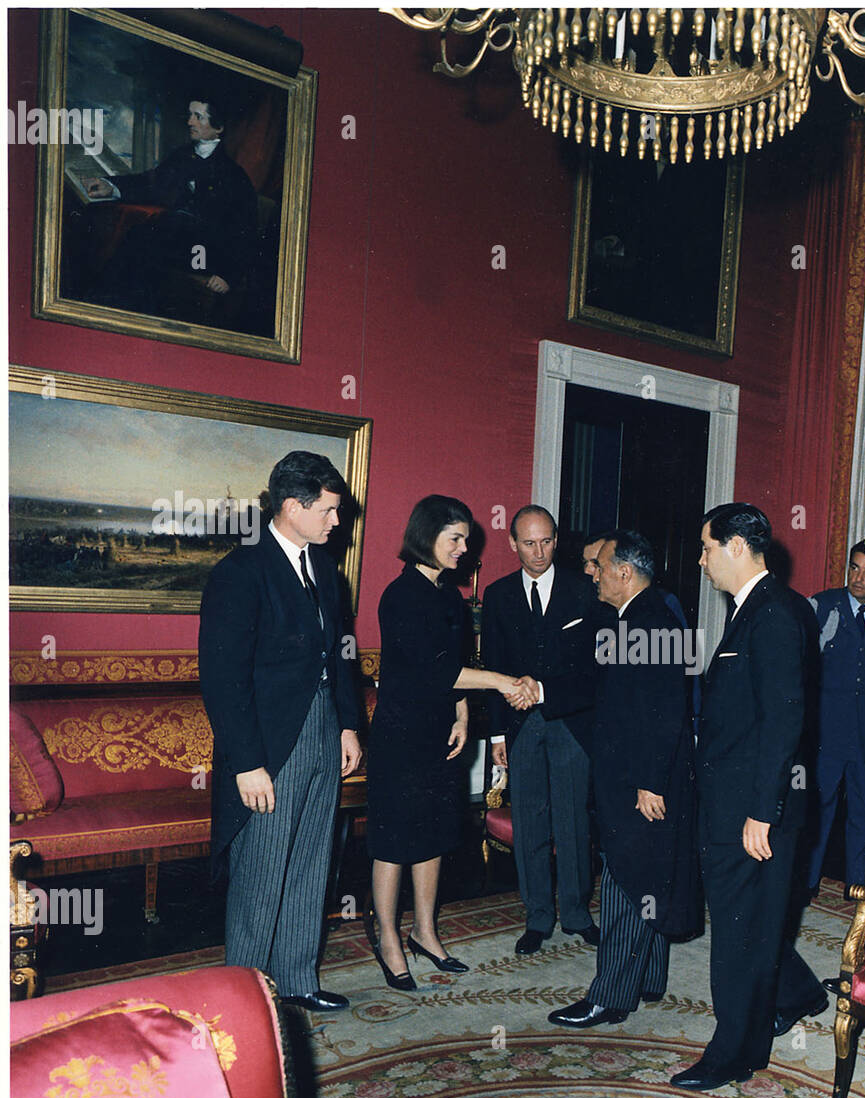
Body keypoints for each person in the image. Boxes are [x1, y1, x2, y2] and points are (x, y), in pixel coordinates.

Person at [198, 451, 361, 1011]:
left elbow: (342, 658)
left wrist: (346, 725)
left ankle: (296, 980)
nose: (337, 522)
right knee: (261, 874)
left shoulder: (327, 573)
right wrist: (246, 762)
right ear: (294, 506)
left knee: (313, 861)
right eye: (331, 511)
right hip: (268, 743)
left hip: (322, 729)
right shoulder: (240, 572)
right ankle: (244, 1001)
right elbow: (223, 680)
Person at [672, 503, 826, 1092]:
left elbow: (784, 721)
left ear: (737, 547)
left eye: (707, 547)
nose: (702, 560)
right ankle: (801, 993)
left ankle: (734, 1053)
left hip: (755, 806)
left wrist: (764, 810)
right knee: (753, 919)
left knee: (738, 932)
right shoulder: (749, 610)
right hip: (732, 797)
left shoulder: (776, 615)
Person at [367, 496, 538, 990]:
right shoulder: (400, 596)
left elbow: (458, 660)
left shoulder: (448, 595)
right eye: (456, 539)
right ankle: (388, 937)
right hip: (402, 734)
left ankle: (424, 930)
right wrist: (505, 682)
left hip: (441, 731)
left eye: (466, 539)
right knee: (395, 838)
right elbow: (434, 669)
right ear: (426, 535)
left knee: (434, 831)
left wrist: (463, 713)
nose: (465, 549)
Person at [549, 531, 699, 1027]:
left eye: (600, 566)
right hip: (636, 776)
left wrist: (650, 782)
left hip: (642, 782)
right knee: (650, 872)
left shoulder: (649, 621)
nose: (592, 573)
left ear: (624, 573)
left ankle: (608, 996)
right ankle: (649, 978)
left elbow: (665, 713)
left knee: (625, 878)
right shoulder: (638, 616)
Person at [480, 506, 601, 954]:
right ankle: (537, 917)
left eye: (546, 541)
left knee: (572, 820)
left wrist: (545, 690)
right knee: (530, 822)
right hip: (519, 726)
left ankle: (575, 913)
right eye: (528, 543)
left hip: (570, 723)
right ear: (512, 544)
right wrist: (496, 736)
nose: (539, 551)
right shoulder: (497, 595)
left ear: (557, 539)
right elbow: (492, 667)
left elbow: (595, 667)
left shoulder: (584, 590)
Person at [84, 97, 258, 317]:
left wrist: (227, 275)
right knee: (139, 237)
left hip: (205, 253)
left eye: (198, 117)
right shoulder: (183, 156)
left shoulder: (234, 175)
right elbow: (151, 182)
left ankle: (116, 311)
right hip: (176, 238)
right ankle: (105, 308)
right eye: (190, 115)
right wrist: (111, 186)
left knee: (146, 247)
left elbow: (245, 230)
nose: (190, 122)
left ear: (219, 127)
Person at [804, 542, 865, 898]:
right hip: (827, 730)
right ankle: (806, 883)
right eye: (853, 568)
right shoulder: (823, 605)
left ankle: (857, 886)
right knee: (817, 810)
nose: (858, 578)